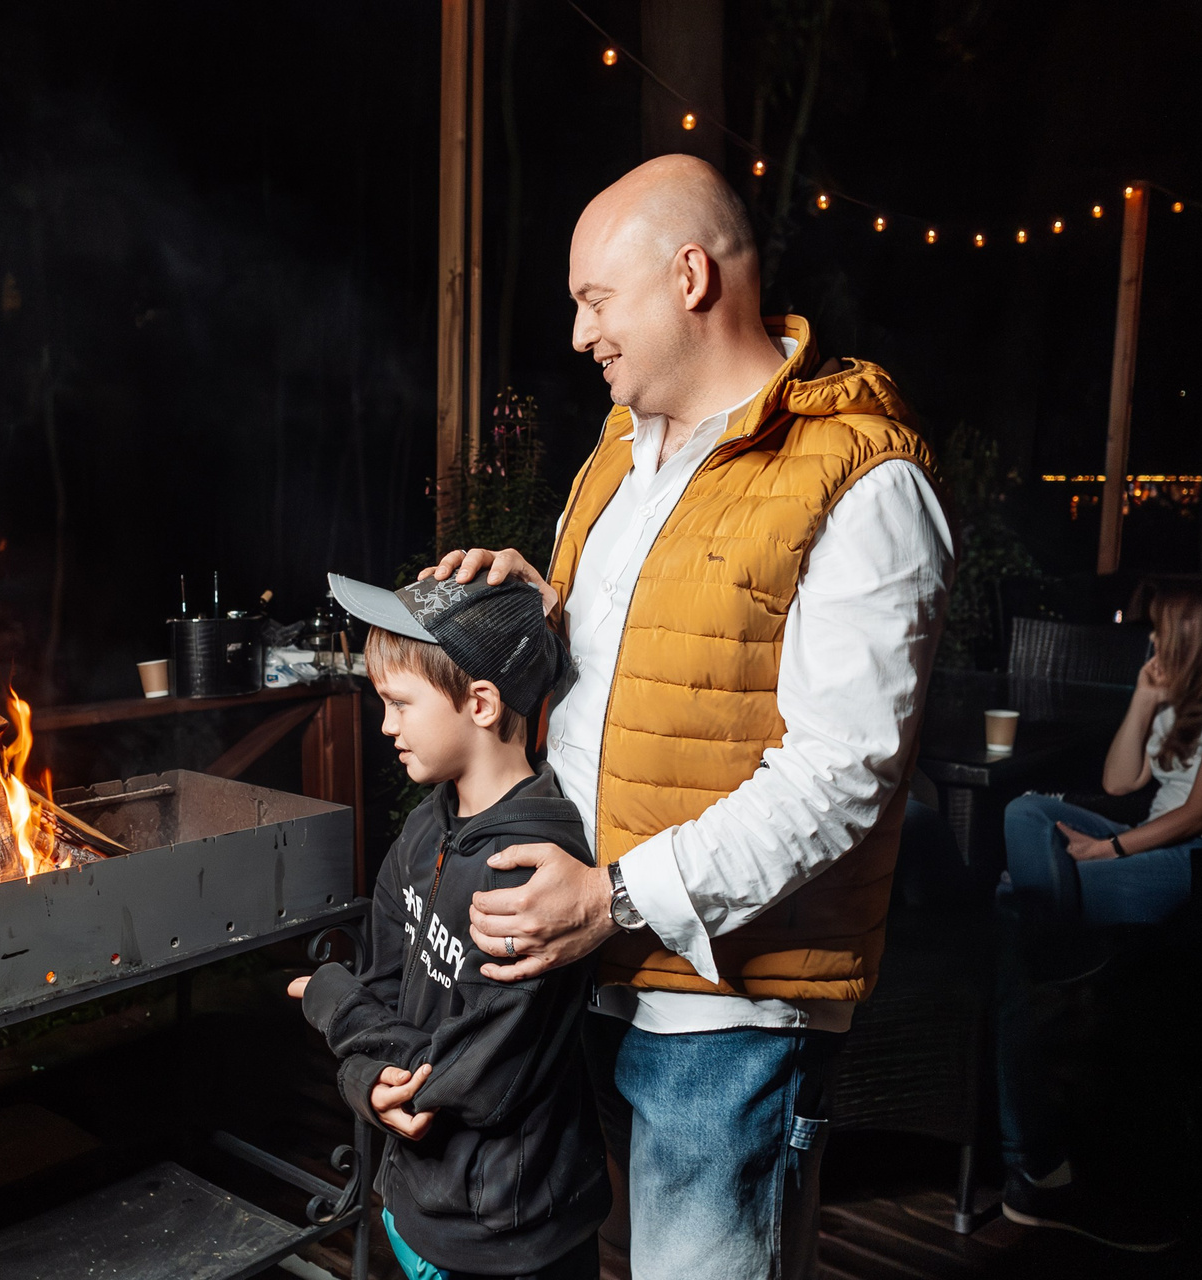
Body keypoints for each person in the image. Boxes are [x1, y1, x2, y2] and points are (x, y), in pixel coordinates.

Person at [420, 154, 953, 1280]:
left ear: (691, 277)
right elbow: (648, 661)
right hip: (586, 971)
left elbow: (839, 779)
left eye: (595, 300)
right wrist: (534, 607)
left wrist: (610, 897)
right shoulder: (619, 453)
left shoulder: (864, 482)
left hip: (728, 1014)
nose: (580, 334)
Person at [288, 571, 608, 1280]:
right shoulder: (422, 830)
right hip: (415, 1203)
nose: (385, 726)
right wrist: (364, 1079)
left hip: (511, 1238)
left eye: (400, 703)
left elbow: (477, 1075)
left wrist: (335, 1008)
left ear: (481, 703)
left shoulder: (531, 871)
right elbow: (382, 982)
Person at [995, 578, 1202, 1249]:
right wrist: (1144, 699)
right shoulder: (1177, 698)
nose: (1150, 641)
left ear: (1192, 640)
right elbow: (1121, 781)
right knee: (1025, 812)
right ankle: (1059, 953)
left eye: (1159, 632)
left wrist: (1110, 850)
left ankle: (1046, 959)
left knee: (1010, 907)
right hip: (1152, 845)